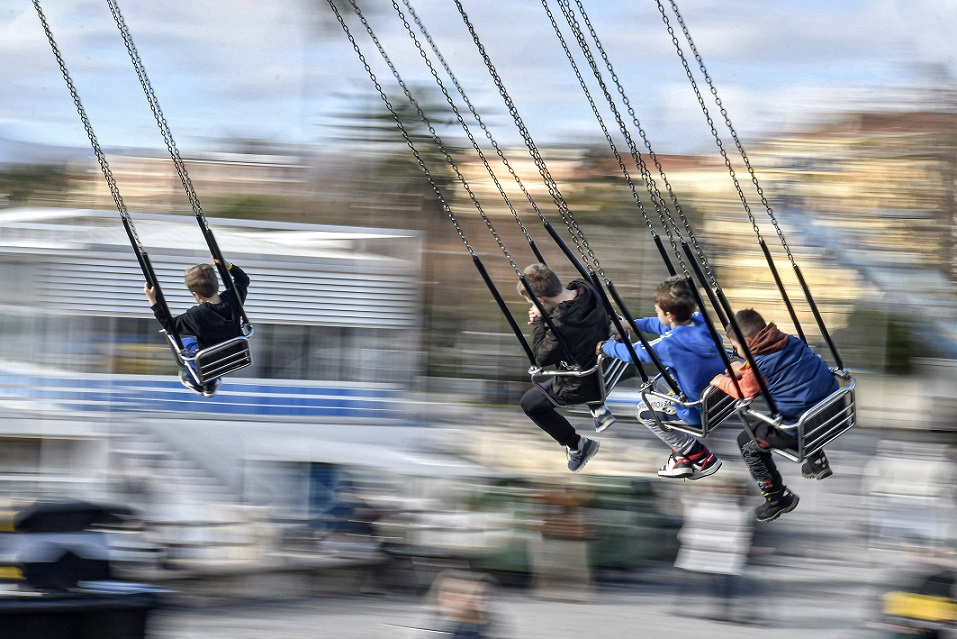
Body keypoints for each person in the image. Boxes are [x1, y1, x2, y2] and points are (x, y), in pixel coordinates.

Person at [709, 308, 838, 523]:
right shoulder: (789, 341)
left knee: (747, 442)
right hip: (830, 410)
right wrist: (745, 368)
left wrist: (721, 381)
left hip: (802, 426)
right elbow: (770, 364)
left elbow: (744, 392)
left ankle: (778, 498)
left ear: (749, 343)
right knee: (788, 406)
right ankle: (818, 462)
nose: (736, 350)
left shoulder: (761, 367)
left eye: (737, 347)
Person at [598, 275, 725, 480]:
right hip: (719, 397)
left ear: (670, 315)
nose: (656, 316)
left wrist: (604, 347)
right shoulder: (701, 321)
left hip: (696, 411)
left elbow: (635, 353)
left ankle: (699, 455)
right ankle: (680, 458)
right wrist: (631, 325)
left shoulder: (669, 344)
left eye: (658, 312)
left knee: (644, 410)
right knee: (658, 384)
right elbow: (661, 326)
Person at [517, 263, 612, 472]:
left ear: (541, 301)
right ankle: (597, 407)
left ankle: (578, 445)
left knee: (530, 403)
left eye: (533, 303)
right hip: (603, 363)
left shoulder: (561, 325)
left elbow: (541, 357)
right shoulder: (586, 288)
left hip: (582, 381)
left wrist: (541, 320)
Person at [144, 257, 250, 397]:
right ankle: (209, 383)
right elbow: (243, 279)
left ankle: (200, 381)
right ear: (216, 285)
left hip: (209, 363)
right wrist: (227, 266)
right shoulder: (233, 298)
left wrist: (153, 301)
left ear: (197, 295)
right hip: (236, 355)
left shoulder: (196, 315)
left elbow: (170, 326)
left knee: (184, 345)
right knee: (197, 347)